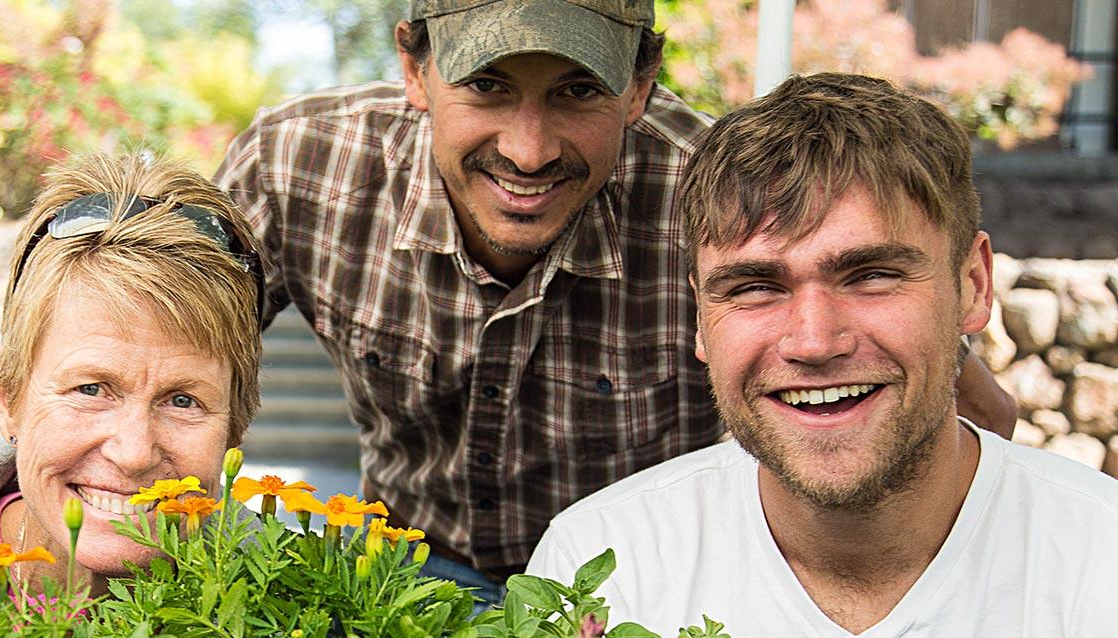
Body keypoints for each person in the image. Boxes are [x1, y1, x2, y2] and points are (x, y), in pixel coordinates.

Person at [213, 0, 1016, 594]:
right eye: (488, 85)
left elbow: (972, 411)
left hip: (650, 593)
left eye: (576, 92)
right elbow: (150, 356)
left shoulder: (725, 204)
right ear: (416, 69)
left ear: (639, 84)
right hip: (409, 570)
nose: (528, 150)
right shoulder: (302, 166)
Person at [527, 73, 1118, 638]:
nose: (813, 341)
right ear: (699, 318)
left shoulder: (1104, 565)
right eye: (754, 287)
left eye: (871, 276)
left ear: (974, 286)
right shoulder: (605, 565)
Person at [0, 152, 263, 604]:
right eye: (90, 389)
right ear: (6, 394)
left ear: (237, 423)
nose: (133, 453)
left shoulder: (325, 633)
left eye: (182, 400)